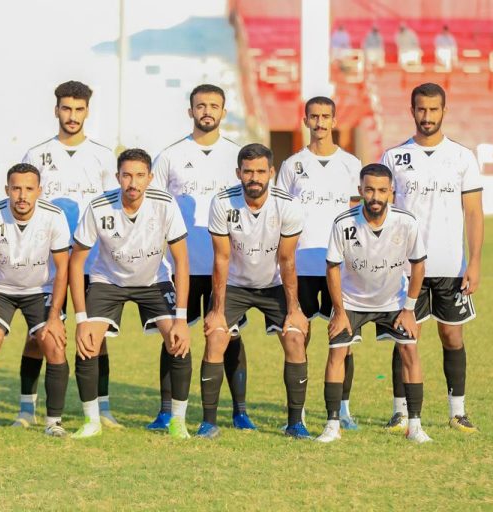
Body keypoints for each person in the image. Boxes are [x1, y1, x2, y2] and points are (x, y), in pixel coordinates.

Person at [149, 84, 254, 432]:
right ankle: (167, 411)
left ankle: (239, 412)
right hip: (180, 266)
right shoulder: (170, 156)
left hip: (225, 267)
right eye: (201, 105)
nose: (207, 111)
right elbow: (155, 208)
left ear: (224, 111)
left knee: (229, 335)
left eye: (213, 105)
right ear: (190, 111)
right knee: (173, 336)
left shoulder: (237, 157)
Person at [381, 83, 483, 433]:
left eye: (433, 109)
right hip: (407, 269)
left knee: (452, 336)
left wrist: (475, 262)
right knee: (405, 338)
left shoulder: (462, 157)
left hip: (451, 266)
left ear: (444, 111)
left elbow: (473, 212)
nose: (427, 116)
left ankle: (458, 411)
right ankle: (400, 412)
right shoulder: (394, 157)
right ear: (412, 111)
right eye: (421, 109)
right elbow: (384, 213)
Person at [70, 149, 191, 439]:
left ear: (150, 177)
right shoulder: (99, 206)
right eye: (126, 175)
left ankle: (178, 421)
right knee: (88, 343)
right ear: (117, 177)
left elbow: (181, 261)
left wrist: (182, 319)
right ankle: (91, 421)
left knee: (177, 341)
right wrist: (81, 320)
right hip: (108, 281)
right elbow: (76, 262)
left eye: (139, 176)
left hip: (153, 281)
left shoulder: (165, 204)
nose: (133, 183)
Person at [20, 81, 119, 428]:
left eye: (78, 109)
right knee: (40, 335)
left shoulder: (103, 155)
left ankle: (102, 408)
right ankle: (26, 409)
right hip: (47, 264)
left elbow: (112, 208)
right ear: (56, 110)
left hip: (92, 263)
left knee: (95, 335)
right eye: (66, 108)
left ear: (87, 111)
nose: (72, 116)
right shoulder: (36, 155)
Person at [199, 143, 310, 439]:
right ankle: (208, 423)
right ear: (238, 173)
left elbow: (287, 260)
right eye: (248, 172)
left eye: (261, 171)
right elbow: (221, 258)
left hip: (274, 285)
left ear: (271, 172)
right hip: (235, 284)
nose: (254, 178)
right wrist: (217, 310)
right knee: (216, 336)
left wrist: (294, 309)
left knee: (295, 338)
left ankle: (295, 423)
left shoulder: (288, 205)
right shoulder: (222, 202)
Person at [315, 163, 431, 444]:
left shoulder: (406, 222)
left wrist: (409, 309)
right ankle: (332, 425)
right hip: (351, 301)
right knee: (336, 353)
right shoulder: (343, 223)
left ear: (391, 192)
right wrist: (339, 312)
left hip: (393, 301)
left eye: (381, 190)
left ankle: (414, 426)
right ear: (360, 191)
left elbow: (418, 265)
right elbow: (332, 267)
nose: (375, 197)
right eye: (369, 190)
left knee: (410, 351)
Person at [277, 97, 362, 430]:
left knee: (343, 339)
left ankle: (343, 409)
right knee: (299, 337)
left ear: (334, 120)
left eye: (326, 116)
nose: (320, 122)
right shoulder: (292, 165)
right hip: (301, 265)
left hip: (339, 266)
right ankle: (297, 413)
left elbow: (358, 215)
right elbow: (280, 213)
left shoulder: (351, 164)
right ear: (306, 121)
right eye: (314, 116)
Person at [0, 163, 71, 437]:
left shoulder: (54, 216)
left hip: (40, 289)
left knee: (54, 344)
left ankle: (53, 422)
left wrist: (55, 317)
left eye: (29, 189)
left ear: (39, 191)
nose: (22, 195)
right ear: (7, 190)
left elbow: (63, 268)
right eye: (16, 189)